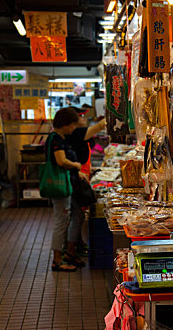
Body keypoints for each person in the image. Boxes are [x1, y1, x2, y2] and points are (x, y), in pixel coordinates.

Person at [64, 110, 106, 262]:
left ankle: (76, 246)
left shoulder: (75, 133)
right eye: (80, 116)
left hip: (81, 177)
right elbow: (101, 125)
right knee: (77, 216)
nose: (83, 118)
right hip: (76, 180)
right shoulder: (77, 133)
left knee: (77, 216)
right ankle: (69, 251)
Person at [47, 107, 84, 272]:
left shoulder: (60, 137)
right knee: (61, 222)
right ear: (64, 124)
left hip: (65, 185)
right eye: (72, 125)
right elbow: (61, 161)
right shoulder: (56, 139)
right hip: (59, 186)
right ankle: (57, 260)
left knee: (65, 220)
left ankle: (65, 255)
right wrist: (76, 165)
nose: (73, 128)